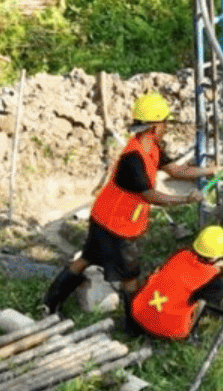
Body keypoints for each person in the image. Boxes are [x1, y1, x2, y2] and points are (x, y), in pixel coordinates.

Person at [43, 92, 211, 315]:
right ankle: (134, 324)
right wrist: (185, 199)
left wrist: (210, 170)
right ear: (154, 127)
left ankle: (49, 304)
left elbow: (175, 170)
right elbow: (150, 196)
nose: (166, 127)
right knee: (130, 277)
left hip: (108, 218)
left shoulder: (152, 147)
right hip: (116, 225)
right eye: (164, 123)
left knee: (86, 259)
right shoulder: (133, 159)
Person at [127, 226, 223, 341]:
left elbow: (196, 269)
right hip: (165, 330)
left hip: (137, 313)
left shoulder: (181, 255)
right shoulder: (213, 282)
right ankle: (191, 335)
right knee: (202, 299)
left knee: (187, 292)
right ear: (218, 255)